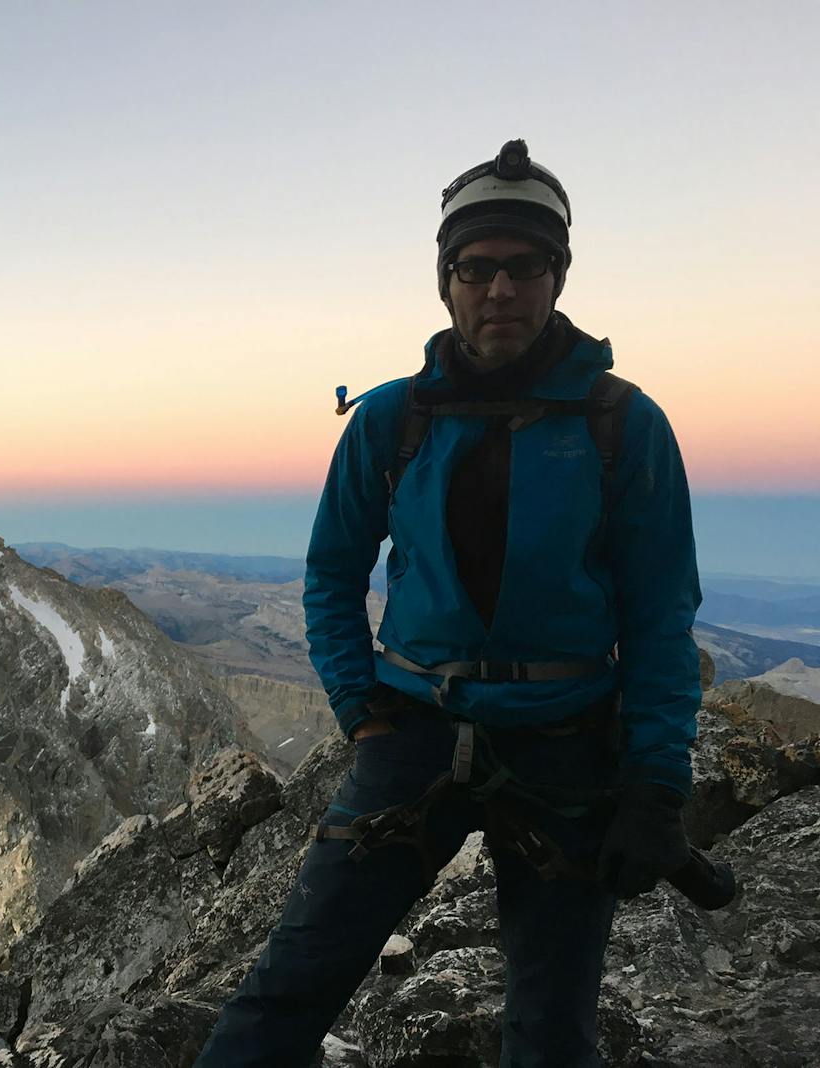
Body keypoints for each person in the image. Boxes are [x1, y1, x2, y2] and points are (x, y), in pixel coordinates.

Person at [193, 140, 702, 1067]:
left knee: (550, 1031)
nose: (500, 288)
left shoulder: (622, 424)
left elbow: (662, 615)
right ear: (447, 282)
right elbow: (331, 579)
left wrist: (657, 782)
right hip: (414, 733)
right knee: (287, 989)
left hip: (566, 741)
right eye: (476, 267)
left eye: (525, 265)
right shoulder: (391, 420)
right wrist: (363, 713)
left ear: (558, 276)